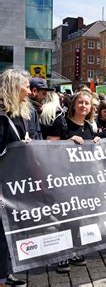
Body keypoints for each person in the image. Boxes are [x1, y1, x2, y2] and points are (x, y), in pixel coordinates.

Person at [47, 90, 101, 273]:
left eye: (87, 103)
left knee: (77, 217)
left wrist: (97, 142)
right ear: (74, 104)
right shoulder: (61, 122)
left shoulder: (89, 127)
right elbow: (48, 147)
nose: (83, 106)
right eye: (80, 102)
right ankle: (62, 255)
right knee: (65, 218)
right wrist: (68, 141)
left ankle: (74, 250)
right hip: (64, 178)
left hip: (82, 180)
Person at [0, 68, 30, 286]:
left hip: (11, 182)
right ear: (13, 87)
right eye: (26, 86)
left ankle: (5, 271)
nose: (29, 91)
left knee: (7, 232)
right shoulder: (1, 118)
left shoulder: (17, 114)